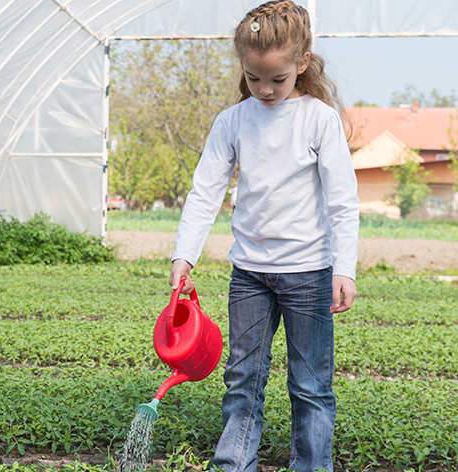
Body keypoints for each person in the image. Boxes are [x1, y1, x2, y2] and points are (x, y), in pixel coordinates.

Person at [168, 2, 360, 471]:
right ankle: (234, 465)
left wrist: (345, 269)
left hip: (309, 275)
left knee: (311, 385)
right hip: (249, 275)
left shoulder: (319, 119)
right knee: (242, 380)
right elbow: (203, 193)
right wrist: (183, 257)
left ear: (303, 61)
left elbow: (342, 201)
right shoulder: (232, 122)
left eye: (276, 79)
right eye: (254, 79)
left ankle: (312, 466)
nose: (265, 89)